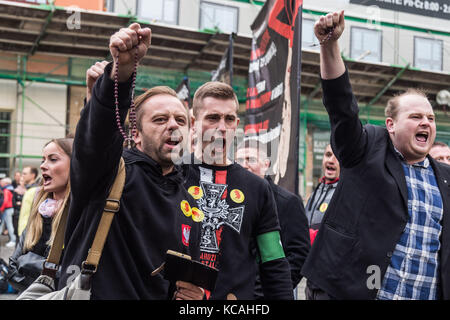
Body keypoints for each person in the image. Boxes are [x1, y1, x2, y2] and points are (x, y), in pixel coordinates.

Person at [301, 10, 450, 300]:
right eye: (416, 116)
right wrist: (329, 45)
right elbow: (342, 106)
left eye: (431, 119)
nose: (426, 123)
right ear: (390, 125)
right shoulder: (367, 146)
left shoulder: (445, 177)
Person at [57, 23, 204, 300]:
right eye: (160, 119)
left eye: (180, 120)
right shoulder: (109, 172)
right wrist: (119, 75)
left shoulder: (190, 200)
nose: (173, 125)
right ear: (135, 133)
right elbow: (96, 138)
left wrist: (191, 298)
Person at [182, 81, 293, 300]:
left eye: (229, 119)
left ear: (237, 125)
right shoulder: (174, 176)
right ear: (194, 123)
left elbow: (273, 261)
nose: (222, 127)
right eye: (213, 118)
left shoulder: (257, 187)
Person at [235, 140, 310, 299]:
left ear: (266, 164)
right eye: (239, 161)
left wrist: (272, 288)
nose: (244, 165)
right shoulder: (231, 200)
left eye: (251, 159)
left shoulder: (288, 202)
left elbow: (299, 254)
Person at [8, 138, 73, 293]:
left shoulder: (81, 217)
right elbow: (12, 272)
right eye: (43, 160)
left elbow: (74, 277)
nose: (43, 166)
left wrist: (28, 264)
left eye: (53, 159)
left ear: (76, 164)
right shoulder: (39, 212)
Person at [305, 144, 340, 244]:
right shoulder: (316, 191)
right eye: (328, 155)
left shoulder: (344, 195)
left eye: (337, 157)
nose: (331, 160)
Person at [0, 178, 16, 247]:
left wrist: (1, 208)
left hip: (7, 210)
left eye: (2, 182)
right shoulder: (10, 189)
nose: (0, 183)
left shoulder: (6, 190)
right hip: (9, 209)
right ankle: (13, 240)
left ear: (6, 183)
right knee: (2, 224)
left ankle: (13, 240)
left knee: (9, 225)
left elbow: (6, 201)